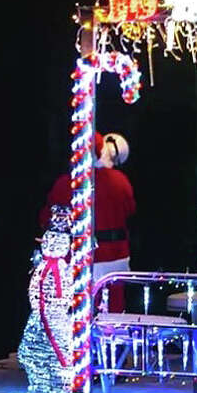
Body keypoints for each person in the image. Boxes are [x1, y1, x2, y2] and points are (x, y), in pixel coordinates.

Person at [43, 131, 136, 315]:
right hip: (115, 259)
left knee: (78, 316)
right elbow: (130, 211)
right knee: (113, 316)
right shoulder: (121, 181)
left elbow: (47, 219)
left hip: (78, 259)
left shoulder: (66, 183)